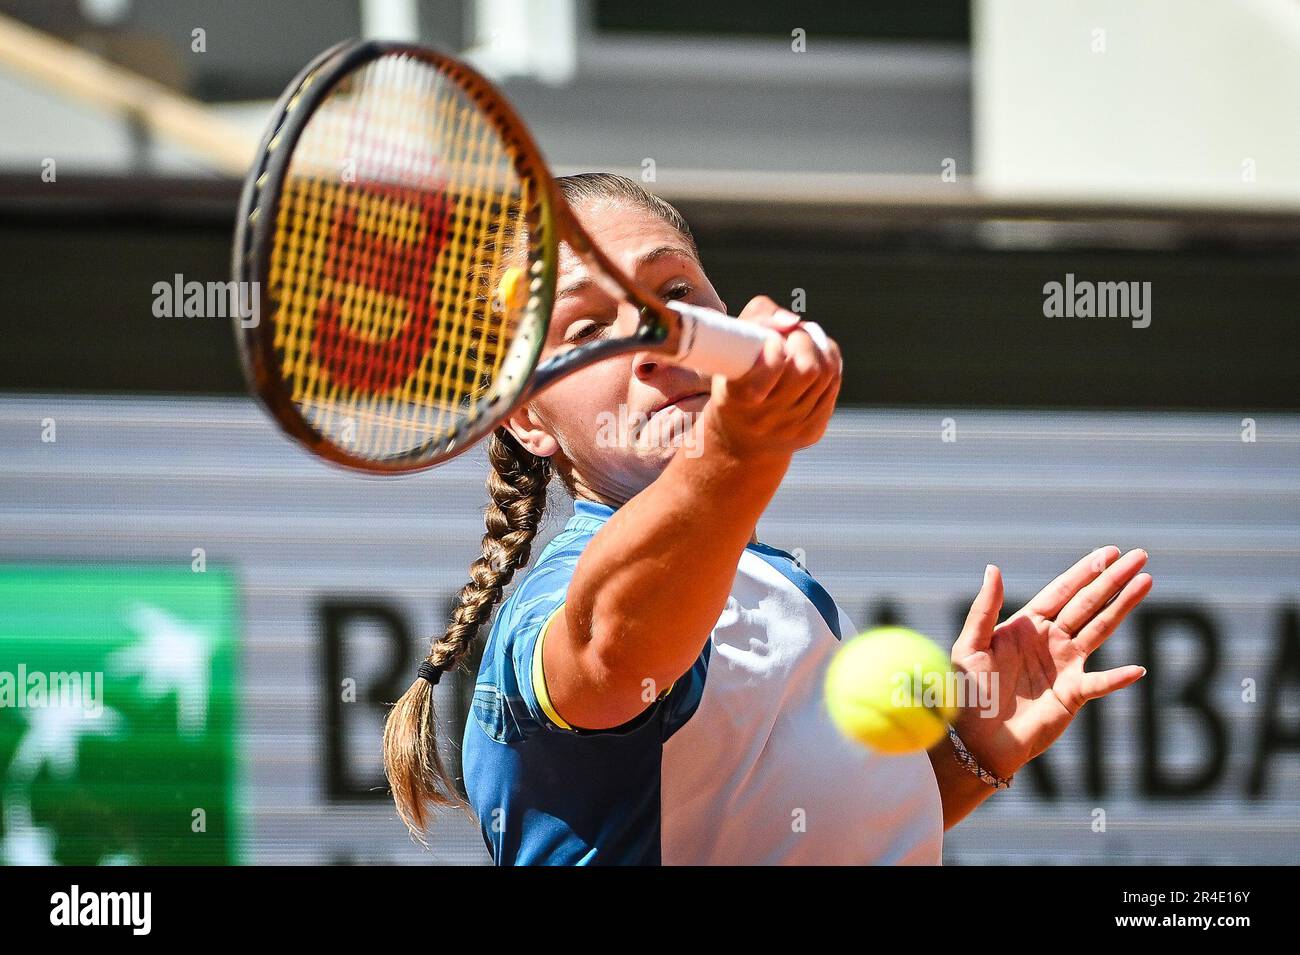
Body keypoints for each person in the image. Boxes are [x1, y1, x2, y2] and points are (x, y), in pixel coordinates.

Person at [383, 172, 1154, 865]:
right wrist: (735, 448)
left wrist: (965, 756)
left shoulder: (781, 583)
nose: (653, 336)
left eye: (677, 293)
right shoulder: (560, 599)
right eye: (585, 330)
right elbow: (612, 642)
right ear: (528, 420)